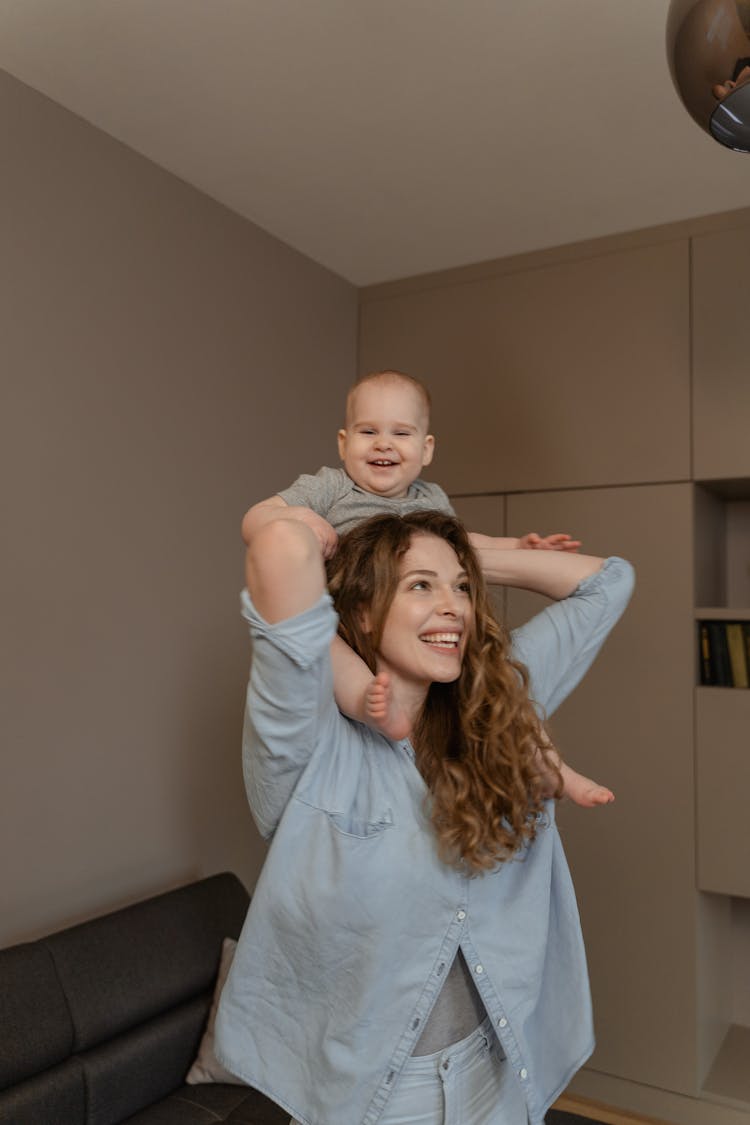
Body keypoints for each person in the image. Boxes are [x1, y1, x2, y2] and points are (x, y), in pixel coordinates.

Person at [214, 511, 634, 1125]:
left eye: (462, 589)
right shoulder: (307, 744)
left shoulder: (498, 700)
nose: (455, 608)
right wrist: (327, 535)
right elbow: (278, 550)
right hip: (378, 1096)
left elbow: (608, 582)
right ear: (361, 613)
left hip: (498, 1067)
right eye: (419, 587)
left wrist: (464, 556)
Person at [241, 368, 612, 808]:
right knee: (335, 658)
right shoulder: (329, 487)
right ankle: (371, 706)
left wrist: (518, 546)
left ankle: (550, 766)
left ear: (426, 448)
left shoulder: (430, 500)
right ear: (343, 443)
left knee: (498, 686)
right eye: (368, 431)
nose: (383, 443)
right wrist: (300, 519)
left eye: (401, 432)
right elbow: (256, 519)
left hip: (398, 621)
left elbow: (467, 546)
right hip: (341, 617)